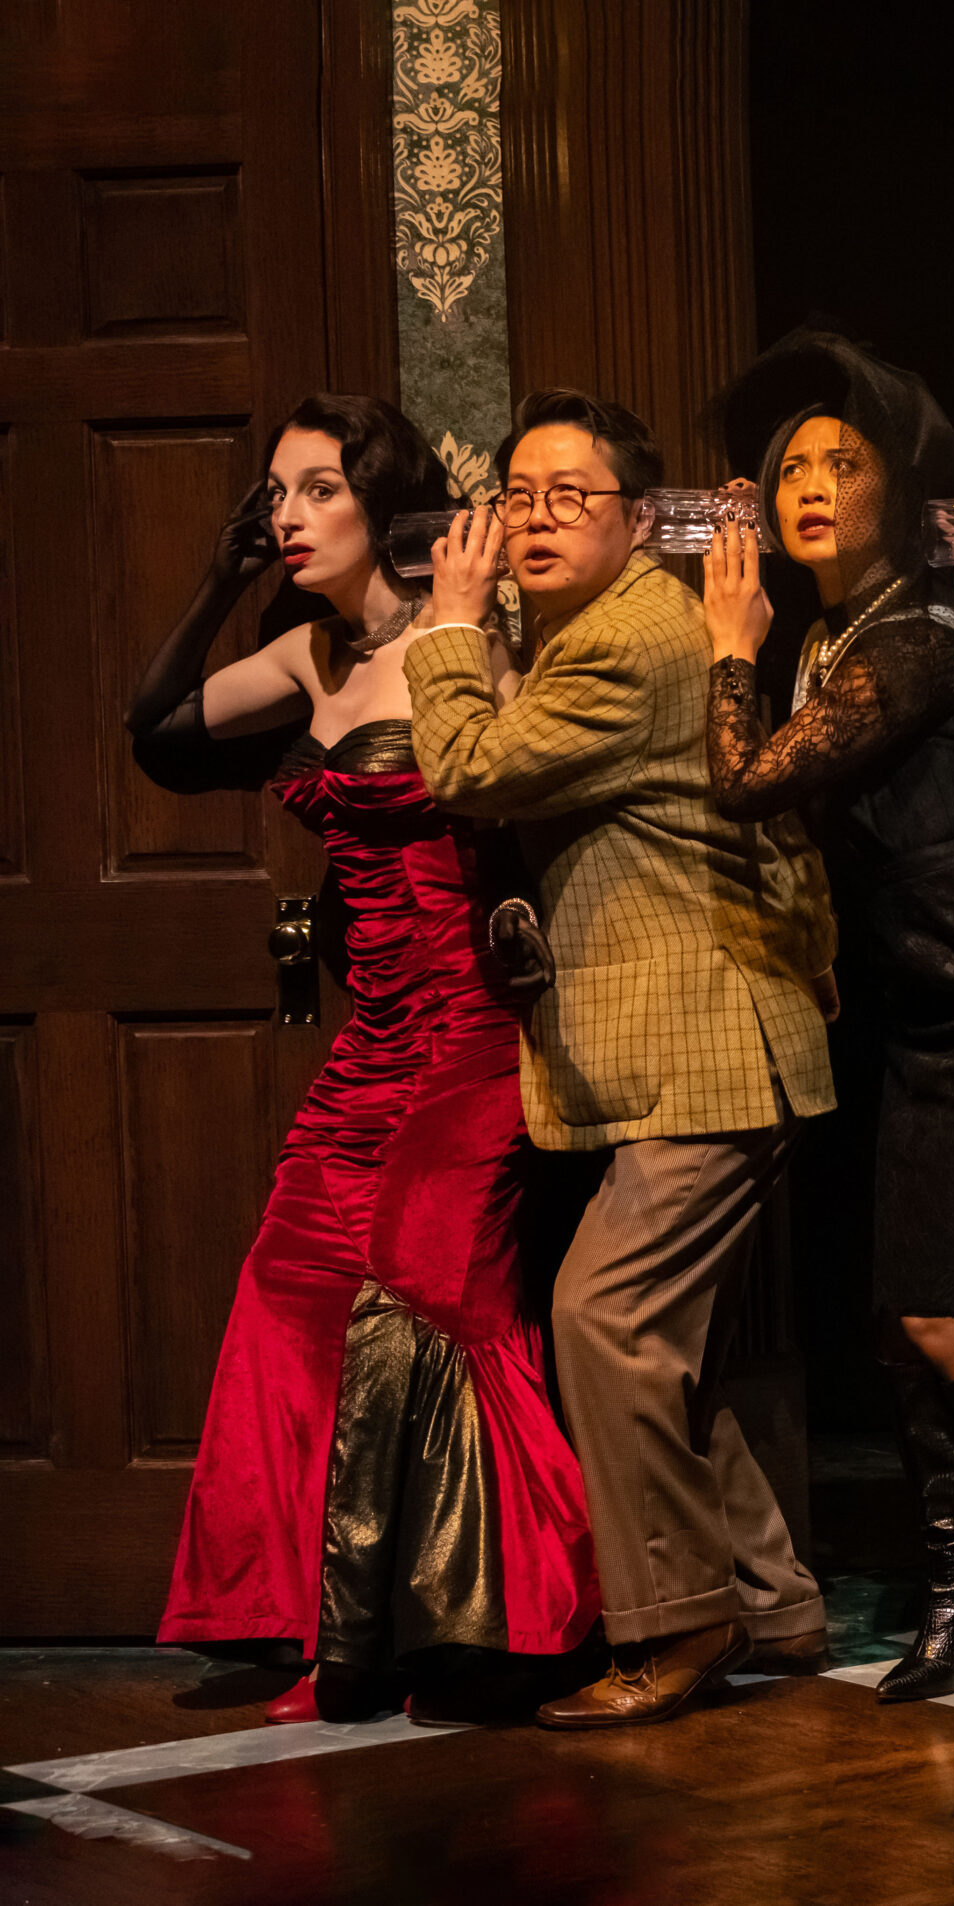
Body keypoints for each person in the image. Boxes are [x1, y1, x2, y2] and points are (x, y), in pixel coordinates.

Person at [132, 395, 598, 1725]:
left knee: (423, 1300)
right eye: (273, 493)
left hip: (473, 1047)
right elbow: (154, 735)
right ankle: (294, 1610)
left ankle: (497, 1622)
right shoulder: (306, 661)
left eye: (314, 489)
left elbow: (534, 818)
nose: (284, 514)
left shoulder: (468, 649)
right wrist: (221, 580)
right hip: (369, 1051)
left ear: (381, 508)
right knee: (288, 1286)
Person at [406, 390, 840, 1729]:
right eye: (518, 496)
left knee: (606, 1319)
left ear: (639, 519)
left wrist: (444, 628)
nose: (532, 520)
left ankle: (682, 1623)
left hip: (705, 1042)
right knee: (649, 1347)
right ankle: (772, 1598)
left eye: (567, 497)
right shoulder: (605, 628)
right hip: (688, 1042)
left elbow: (470, 766)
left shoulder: (630, 645)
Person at [699, 326, 954, 1722]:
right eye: (791, 465)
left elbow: (750, 781)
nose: (811, 483)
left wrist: (723, 652)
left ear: (897, 489)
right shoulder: (839, 634)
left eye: (842, 460)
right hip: (923, 1019)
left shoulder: (923, 638)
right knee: (900, 1322)